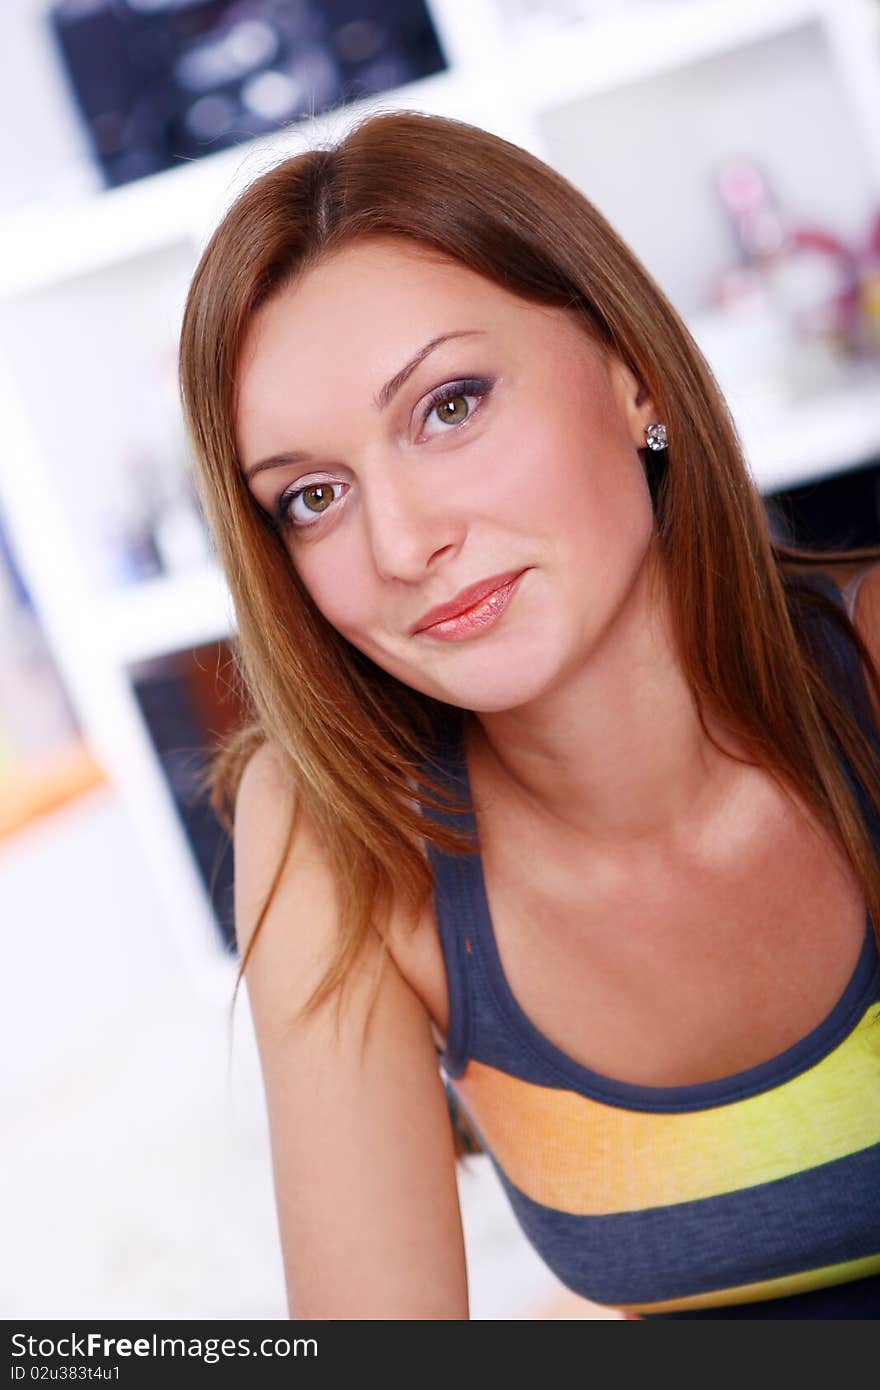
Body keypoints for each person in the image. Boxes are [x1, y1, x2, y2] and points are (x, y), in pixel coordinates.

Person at [178, 109, 880, 1319]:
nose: (403, 546)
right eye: (312, 496)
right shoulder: (334, 840)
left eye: (449, 405)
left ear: (633, 375)